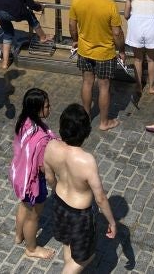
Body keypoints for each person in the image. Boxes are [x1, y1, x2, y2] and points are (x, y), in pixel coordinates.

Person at [43, 103, 117, 273]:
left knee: (68, 244)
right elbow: (100, 198)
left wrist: (56, 189)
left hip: (59, 203)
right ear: (85, 131)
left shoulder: (51, 146)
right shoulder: (86, 160)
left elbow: (49, 177)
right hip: (80, 214)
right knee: (86, 256)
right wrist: (112, 222)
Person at [68, 0, 125, 131]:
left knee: (87, 82)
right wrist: (121, 50)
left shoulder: (77, 0)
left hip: (85, 50)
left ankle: (86, 117)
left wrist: (75, 40)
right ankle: (104, 122)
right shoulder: (109, 5)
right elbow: (117, 33)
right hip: (105, 53)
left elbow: (72, 25)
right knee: (104, 87)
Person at [9, 88, 57, 261]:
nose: (49, 108)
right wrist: (56, 185)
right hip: (33, 182)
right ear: (37, 109)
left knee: (24, 205)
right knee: (33, 216)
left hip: (21, 176)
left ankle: (18, 236)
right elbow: (44, 168)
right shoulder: (42, 139)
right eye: (46, 106)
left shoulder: (24, 122)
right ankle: (31, 248)